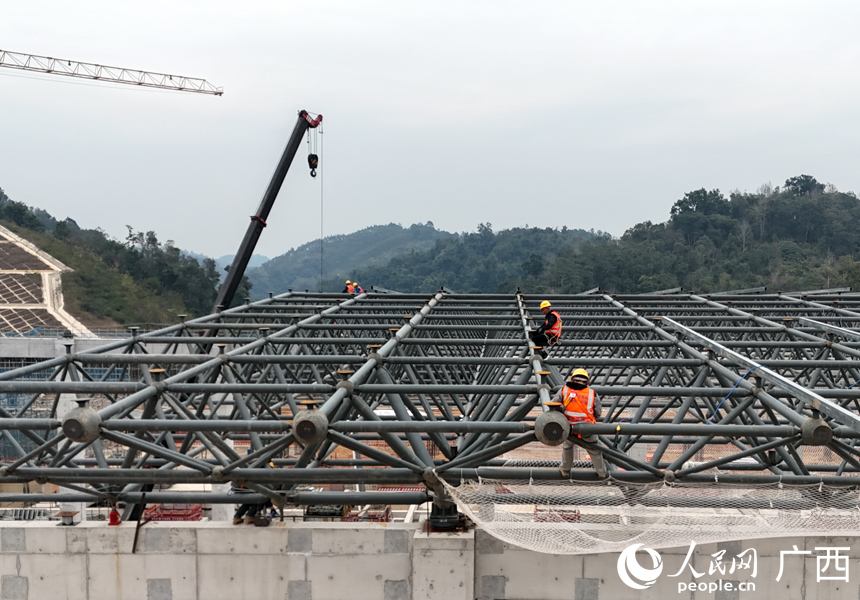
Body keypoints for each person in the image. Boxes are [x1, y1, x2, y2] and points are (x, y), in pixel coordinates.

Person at [551, 368, 607, 479]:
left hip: (570, 428)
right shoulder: (592, 393)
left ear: (573, 379)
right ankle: (602, 474)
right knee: (595, 450)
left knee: (567, 446)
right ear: (586, 381)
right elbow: (598, 413)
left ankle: (565, 470)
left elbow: (553, 404)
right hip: (587, 429)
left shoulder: (564, 390)